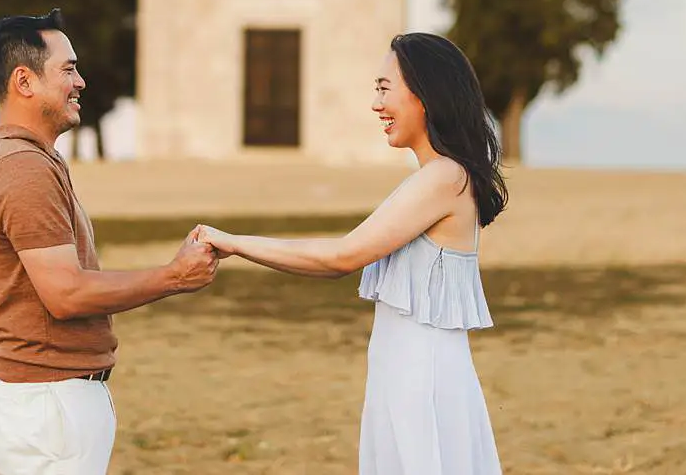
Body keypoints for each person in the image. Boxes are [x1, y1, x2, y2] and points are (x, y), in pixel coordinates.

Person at [197, 32, 509, 475]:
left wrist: (234, 242)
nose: (376, 104)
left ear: (426, 94)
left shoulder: (444, 178)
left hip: (424, 382)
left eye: (385, 88)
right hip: (404, 376)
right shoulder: (438, 177)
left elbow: (340, 258)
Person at [0, 9, 218, 475]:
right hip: (49, 403)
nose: (80, 81)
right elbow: (65, 294)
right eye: (68, 69)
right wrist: (174, 276)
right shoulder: (22, 168)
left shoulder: (32, 160)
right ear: (24, 81)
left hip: (53, 401)